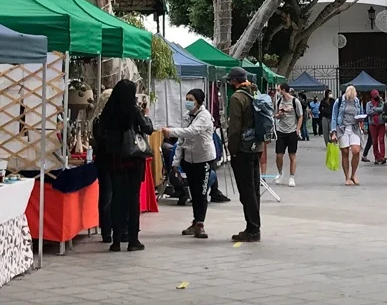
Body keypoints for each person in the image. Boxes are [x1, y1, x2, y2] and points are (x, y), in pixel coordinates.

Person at [92, 79, 155, 252]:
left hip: (114, 159)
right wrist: (145, 115)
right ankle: (133, 239)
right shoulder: (133, 109)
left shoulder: (109, 110)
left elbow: (99, 131)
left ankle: (116, 240)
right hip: (133, 158)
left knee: (117, 198)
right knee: (132, 198)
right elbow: (148, 128)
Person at [162, 88, 216, 238]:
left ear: (199, 101)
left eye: (191, 99)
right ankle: (196, 221)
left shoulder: (204, 116)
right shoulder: (187, 117)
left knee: (202, 192)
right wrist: (175, 162)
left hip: (203, 159)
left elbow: (192, 131)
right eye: (187, 99)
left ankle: (200, 223)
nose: (188, 102)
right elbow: (181, 142)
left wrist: (171, 132)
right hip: (189, 159)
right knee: (193, 191)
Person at [225, 69, 263, 241]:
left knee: (246, 190)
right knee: (254, 189)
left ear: (234, 81)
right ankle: (254, 226)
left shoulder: (236, 98)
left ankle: (253, 229)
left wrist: (232, 150)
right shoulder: (255, 92)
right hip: (257, 147)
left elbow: (234, 128)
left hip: (243, 149)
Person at [332, 85, 364, 185]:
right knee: (345, 152)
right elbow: (334, 116)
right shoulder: (339, 101)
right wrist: (333, 132)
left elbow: (361, 112)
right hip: (342, 128)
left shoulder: (357, 101)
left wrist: (361, 119)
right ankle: (347, 177)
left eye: (352, 97)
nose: (350, 98)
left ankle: (353, 175)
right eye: (349, 97)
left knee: (356, 150)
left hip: (354, 128)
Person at [273, 82, 303, 186]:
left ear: (283, 90)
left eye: (278, 90)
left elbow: (300, 116)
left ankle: (292, 177)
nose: (278, 92)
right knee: (279, 155)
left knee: (292, 155)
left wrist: (297, 129)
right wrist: (279, 115)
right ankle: (280, 173)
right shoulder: (279, 101)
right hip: (281, 130)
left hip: (292, 131)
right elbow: (276, 115)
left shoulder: (295, 101)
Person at [364, 90, 387, 164]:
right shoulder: (369, 103)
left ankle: (382, 156)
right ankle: (377, 157)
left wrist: (374, 109)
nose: (376, 96)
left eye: (377, 95)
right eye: (375, 95)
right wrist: (378, 110)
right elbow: (368, 112)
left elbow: (382, 109)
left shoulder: (382, 102)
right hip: (372, 124)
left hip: (381, 123)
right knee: (374, 141)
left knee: (381, 140)